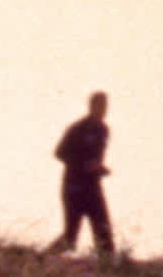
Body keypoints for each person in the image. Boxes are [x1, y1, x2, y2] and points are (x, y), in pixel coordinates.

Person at [45, 91, 115, 260]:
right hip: (74, 187)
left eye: (105, 106)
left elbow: (95, 158)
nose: (103, 110)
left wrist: (99, 168)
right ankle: (40, 260)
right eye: (100, 106)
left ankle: (108, 273)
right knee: (70, 238)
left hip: (93, 187)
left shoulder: (103, 130)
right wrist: (82, 165)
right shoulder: (77, 128)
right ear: (91, 106)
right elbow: (59, 152)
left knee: (104, 233)